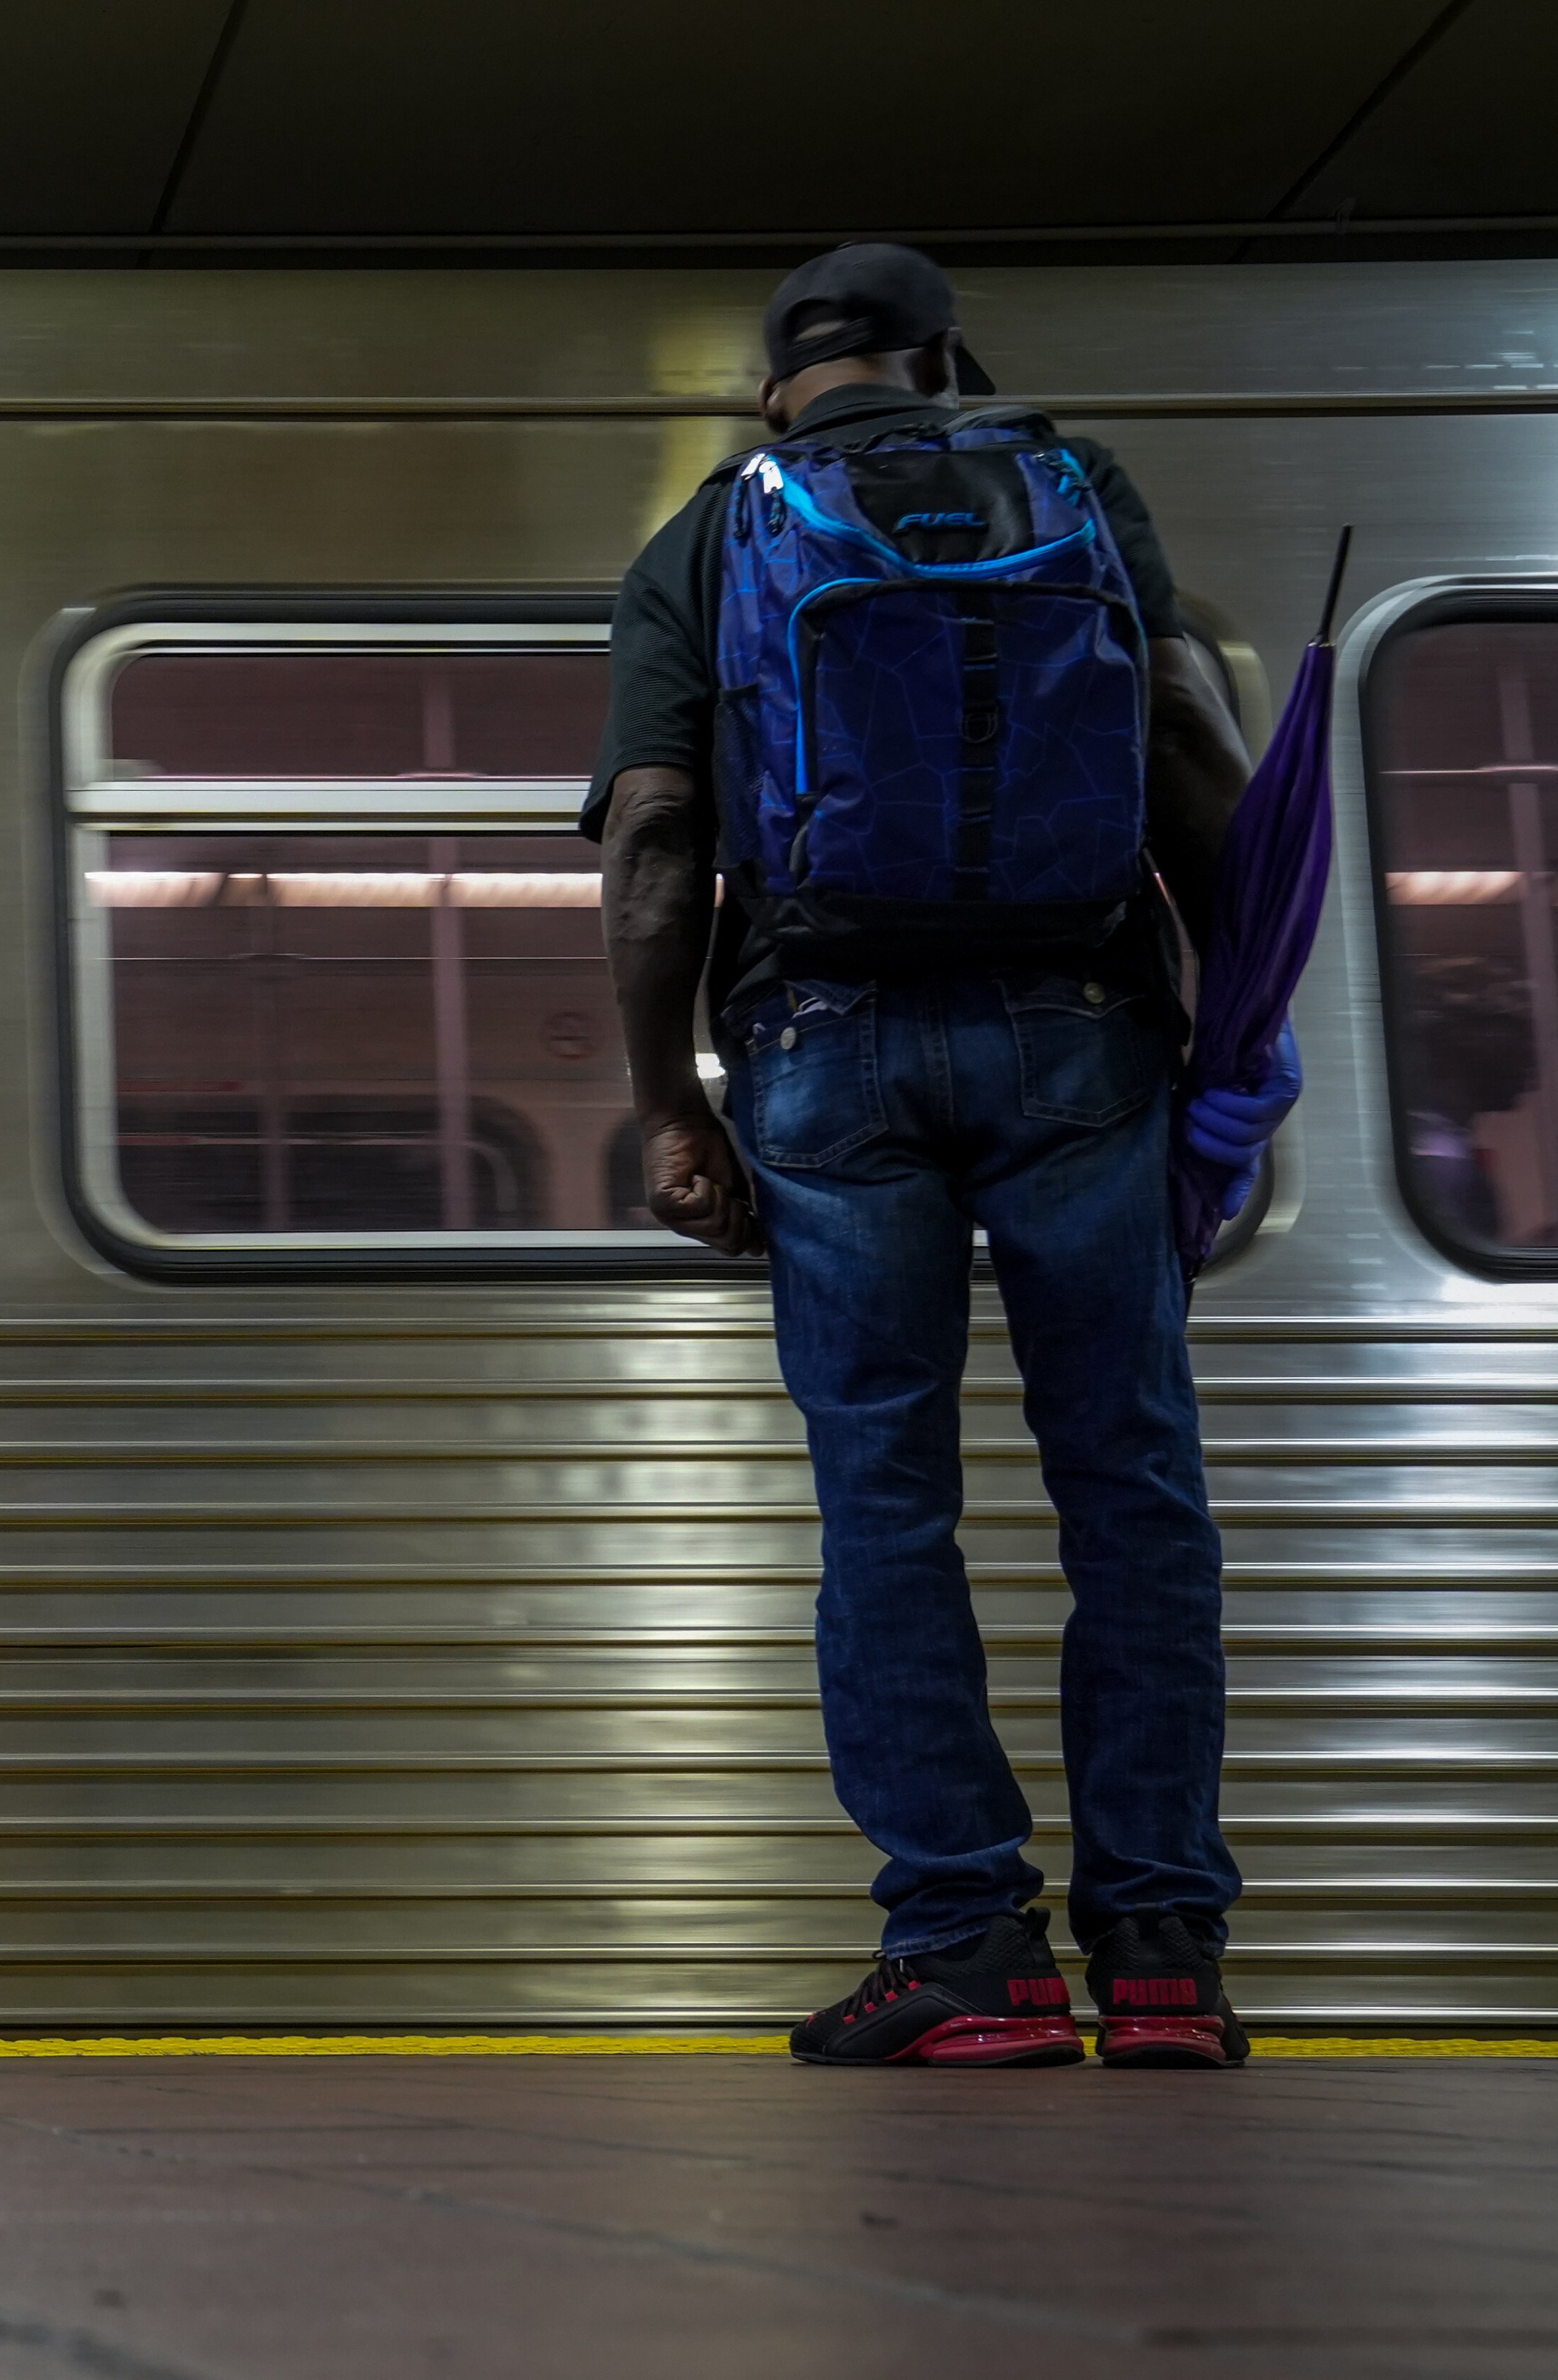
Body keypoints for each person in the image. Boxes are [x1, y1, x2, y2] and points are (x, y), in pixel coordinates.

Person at [589, 246, 1290, 2068]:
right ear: (943, 359)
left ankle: (967, 1947)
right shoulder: (1064, 481)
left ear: (774, 391)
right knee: (1130, 1490)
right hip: (1083, 1037)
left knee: (885, 1503)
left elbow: (661, 840)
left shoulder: (712, 532)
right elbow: (1192, 766)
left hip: (826, 1055)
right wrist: (1233, 1051)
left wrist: (673, 1098)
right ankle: (1157, 1953)